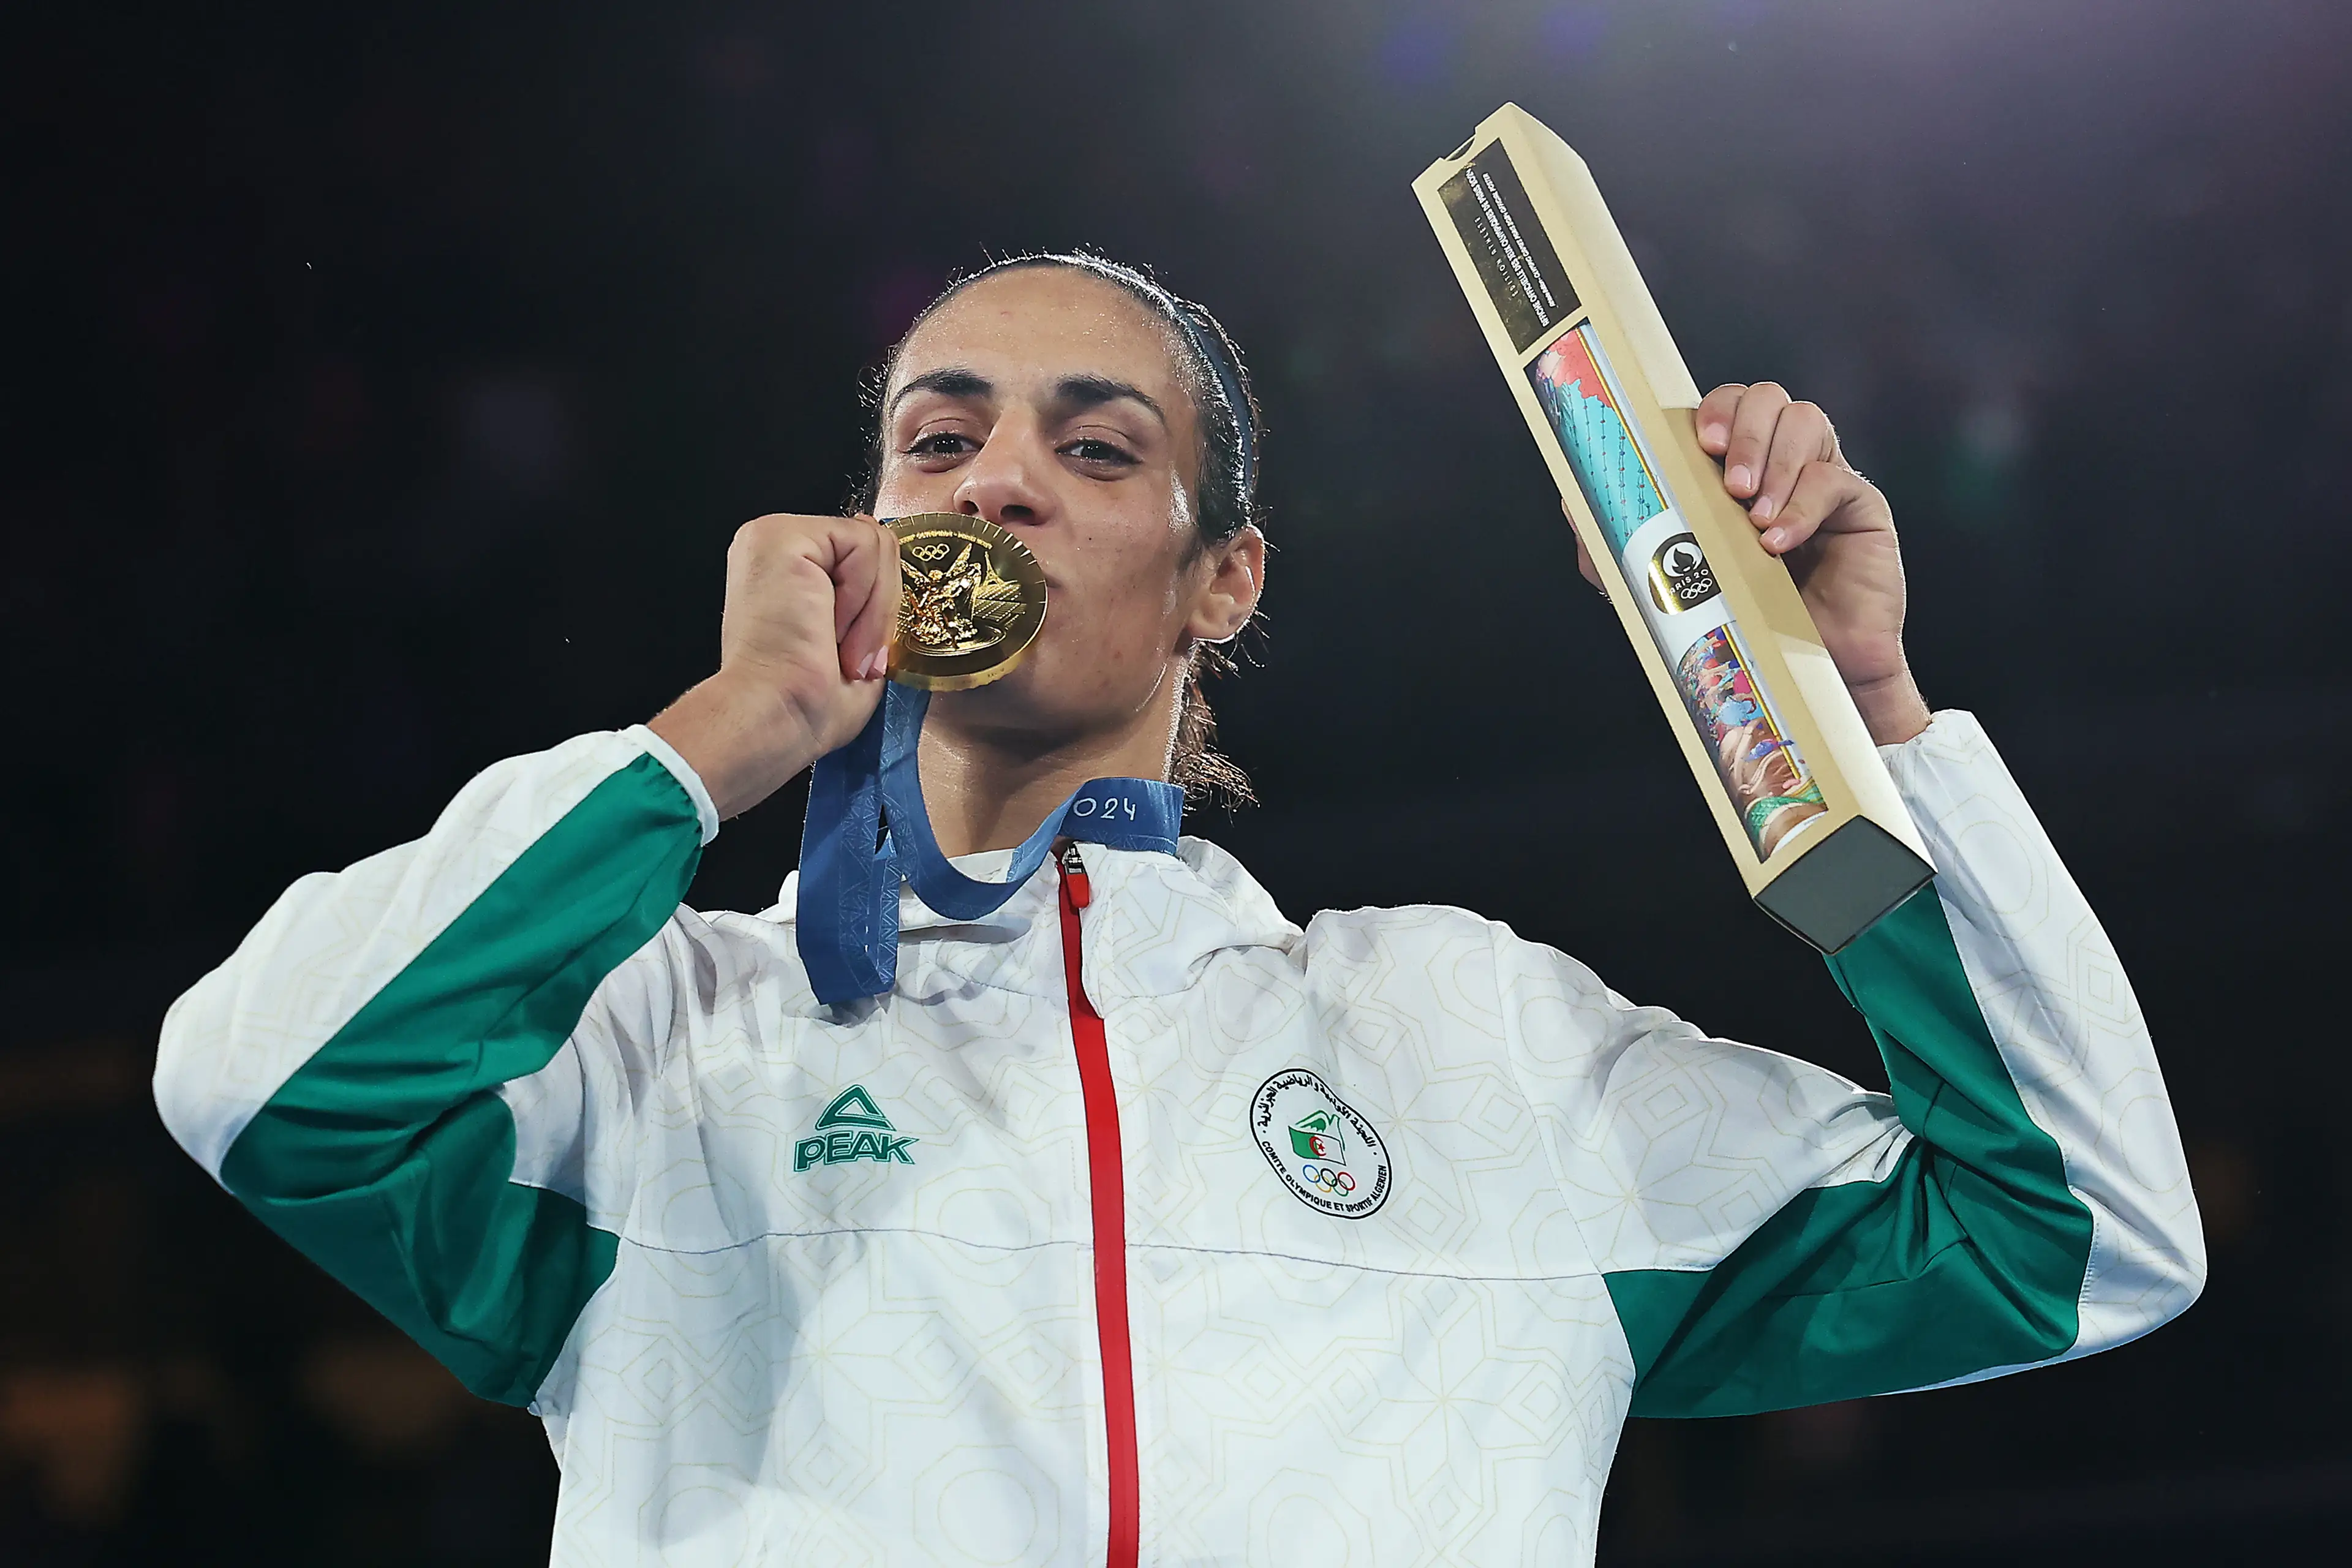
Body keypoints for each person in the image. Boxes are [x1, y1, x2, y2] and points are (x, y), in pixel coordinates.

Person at [152, 252, 2204, 1567]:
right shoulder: (672, 1039)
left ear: (1223, 582)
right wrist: (713, 742)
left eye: (1093, 443)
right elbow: (262, 1086)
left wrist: (1858, 726)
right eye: (933, 441)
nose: (993, 483)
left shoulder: (1467, 1039)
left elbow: (2086, 1237)